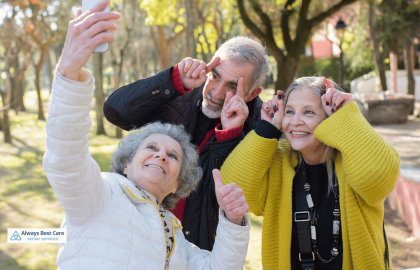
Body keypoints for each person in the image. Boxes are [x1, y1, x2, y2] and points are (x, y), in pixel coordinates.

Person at [44, 1, 251, 269]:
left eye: (173, 156)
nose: (161, 155)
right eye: (151, 147)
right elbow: (65, 159)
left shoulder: (174, 238)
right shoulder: (99, 195)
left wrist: (233, 222)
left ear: (178, 184)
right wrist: (69, 74)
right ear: (126, 164)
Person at [103, 15, 269, 251]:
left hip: (194, 251)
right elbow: (114, 112)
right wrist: (171, 79)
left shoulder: (260, 128)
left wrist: (228, 136)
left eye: (233, 87)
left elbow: (234, 199)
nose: (216, 93)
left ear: (252, 94)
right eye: (215, 76)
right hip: (136, 234)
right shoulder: (180, 90)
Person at [220, 77, 400, 270]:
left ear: (331, 117)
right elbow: (232, 187)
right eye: (289, 111)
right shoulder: (278, 160)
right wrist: (267, 129)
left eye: (308, 112)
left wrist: (347, 116)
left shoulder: (355, 159)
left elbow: (377, 178)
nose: (296, 122)